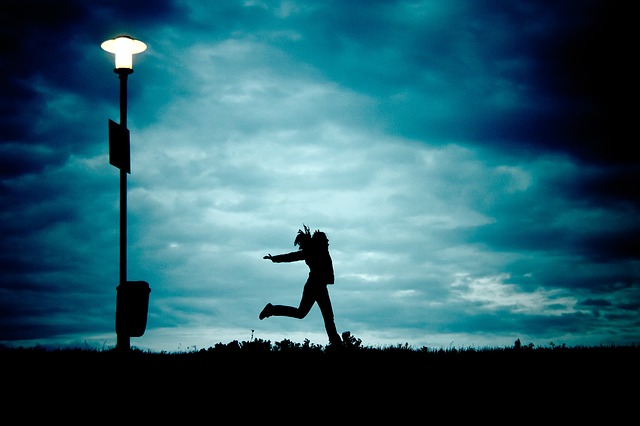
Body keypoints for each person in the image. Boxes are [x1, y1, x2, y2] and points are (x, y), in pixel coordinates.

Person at [259, 225, 342, 346]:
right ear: (321, 242)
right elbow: (291, 256)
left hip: (319, 286)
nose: (328, 242)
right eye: (326, 240)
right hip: (314, 286)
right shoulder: (315, 251)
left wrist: (274, 259)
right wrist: (274, 258)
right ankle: (336, 343)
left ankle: (336, 343)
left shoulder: (320, 250)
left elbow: (292, 256)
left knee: (305, 314)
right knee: (326, 317)